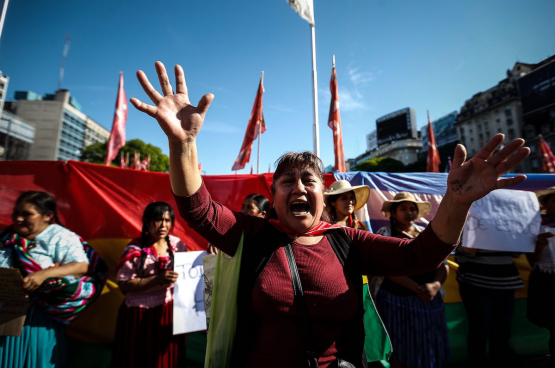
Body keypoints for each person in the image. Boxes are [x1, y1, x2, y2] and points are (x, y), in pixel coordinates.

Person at [129, 61, 529, 368]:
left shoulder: (347, 240)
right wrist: (182, 145)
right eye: (287, 181)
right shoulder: (252, 234)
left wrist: (458, 202)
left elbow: (419, 256)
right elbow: (197, 209)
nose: (299, 187)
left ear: (323, 194)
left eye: (309, 180)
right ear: (273, 195)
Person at [0, 191, 104, 368]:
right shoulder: (7, 238)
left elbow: (81, 266)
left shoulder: (60, 237)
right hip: (6, 315)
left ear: (48, 216)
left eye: (26, 214)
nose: (18, 219)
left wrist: (44, 274)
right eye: (16, 213)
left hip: (39, 321)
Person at [375, 192, 450, 368]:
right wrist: (416, 287)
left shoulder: (428, 234)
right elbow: (386, 268)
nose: (409, 212)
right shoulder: (384, 234)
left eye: (412, 209)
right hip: (396, 301)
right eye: (403, 208)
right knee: (399, 347)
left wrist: (435, 285)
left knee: (429, 344)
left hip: (429, 299)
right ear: (393, 213)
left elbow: (443, 264)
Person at [111, 202, 188, 368]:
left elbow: (188, 277)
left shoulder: (177, 245)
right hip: (138, 315)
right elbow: (124, 284)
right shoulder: (135, 249)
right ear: (147, 222)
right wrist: (157, 279)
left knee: (166, 360)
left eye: (167, 220)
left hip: (168, 312)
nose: (163, 225)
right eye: (158, 220)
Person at [455, 235, 524, 367]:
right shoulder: (468, 218)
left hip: (505, 282)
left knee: (502, 333)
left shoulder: (509, 219)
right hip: (476, 282)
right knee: (479, 331)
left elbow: (517, 252)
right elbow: (467, 251)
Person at [527, 187, 555, 366]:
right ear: (544, 203)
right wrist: (540, 245)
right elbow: (532, 261)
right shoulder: (535, 225)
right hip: (546, 281)